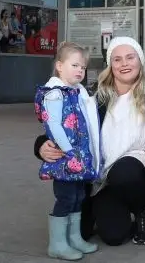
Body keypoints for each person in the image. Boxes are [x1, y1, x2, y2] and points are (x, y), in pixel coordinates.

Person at [33, 37, 145, 247]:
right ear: (111, 65)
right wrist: (41, 144)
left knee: (125, 172)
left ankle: (142, 211)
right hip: (102, 174)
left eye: (130, 57)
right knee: (112, 235)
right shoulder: (93, 95)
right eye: (117, 59)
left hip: (139, 168)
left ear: (140, 60)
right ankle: (105, 208)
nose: (124, 64)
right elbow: (62, 121)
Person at [34, 42, 102, 260]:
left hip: (78, 157)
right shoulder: (55, 93)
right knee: (65, 197)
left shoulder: (77, 92)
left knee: (79, 196)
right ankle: (57, 243)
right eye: (74, 65)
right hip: (65, 158)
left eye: (83, 67)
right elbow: (54, 125)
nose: (80, 70)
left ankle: (74, 238)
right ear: (59, 66)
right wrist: (69, 151)